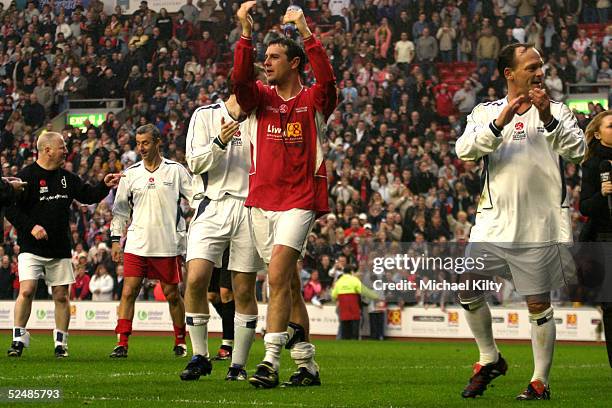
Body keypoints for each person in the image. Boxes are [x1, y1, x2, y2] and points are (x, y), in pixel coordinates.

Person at [455, 43, 585, 400]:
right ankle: (489, 358)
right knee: (467, 285)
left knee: (537, 303)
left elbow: (579, 151)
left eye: (540, 65)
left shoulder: (558, 110)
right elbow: (464, 151)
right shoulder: (486, 111)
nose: (539, 72)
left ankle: (539, 381)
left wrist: (547, 118)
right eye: (531, 67)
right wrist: (500, 123)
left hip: (537, 224)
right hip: (493, 221)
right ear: (509, 73)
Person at [233, 1, 338, 388]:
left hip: (300, 199)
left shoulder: (314, 101)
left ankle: (270, 361)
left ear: (294, 63)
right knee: (289, 286)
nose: (266, 62)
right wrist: (245, 34)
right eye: (264, 57)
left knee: (276, 276)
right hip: (262, 201)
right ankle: (307, 366)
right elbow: (239, 82)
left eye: (275, 56)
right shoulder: (258, 98)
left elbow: (327, 81)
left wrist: (306, 32)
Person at [6, 132, 121, 358]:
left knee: (60, 296)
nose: (66, 151)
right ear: (47, 150)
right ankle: (18, 339)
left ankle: (60, 343)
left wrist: (104, 185)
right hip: (31, 247)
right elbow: (10, 208)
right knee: (27, 290)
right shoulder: (26, 176)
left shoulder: (67, 178)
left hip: (59, 247)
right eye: (62, 147)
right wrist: (31, 227)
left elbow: (88, 195)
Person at [179, 88, 264, 382]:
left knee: (242, 290)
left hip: (249, 208)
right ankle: (200, 355)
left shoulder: (261, 118)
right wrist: (219, 141)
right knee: (196, 278)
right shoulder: (205, 116)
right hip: (212, 204)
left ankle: (237, 365)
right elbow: (194, 163)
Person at [109, 124, 192, 358]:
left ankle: (180, 340)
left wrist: (194, 228)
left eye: (145, 143)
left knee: (172, 294)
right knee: (128, 291)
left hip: (167, 243)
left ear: (157, 142)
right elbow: (120, 211)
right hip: (137, 242)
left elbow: (197, 197)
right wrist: (116, 240)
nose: (141, 148)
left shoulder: (176, 171)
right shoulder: (131, 173)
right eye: (138, 143)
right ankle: (122, 342)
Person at [578, 110, 612, 367]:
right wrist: (602, 194)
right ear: (598, 133)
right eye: (611, 126)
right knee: (610, 308)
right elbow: (585, 207)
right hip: (605, 240)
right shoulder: (592, 165)